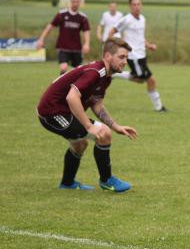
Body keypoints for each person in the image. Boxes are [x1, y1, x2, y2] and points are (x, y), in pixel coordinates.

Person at [37, 38, 137, 192]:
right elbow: (72, 97)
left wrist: (116, 126)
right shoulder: (95, 72)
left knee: (80, 144)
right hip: (52, 112)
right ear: (108, 56)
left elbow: (96, 104)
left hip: (63, 111)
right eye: (121, 57)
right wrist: (89, 126)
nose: (125, 62)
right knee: (103, 133)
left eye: (126, 58)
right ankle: (107, 180)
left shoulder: (106, 77)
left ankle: (67, 183)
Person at [109, 0, 167, 112]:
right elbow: (111, 33)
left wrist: (149, 45)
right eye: (134, 5)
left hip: (142, 54)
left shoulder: (142, 19)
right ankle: (159, 108)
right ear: (130, 6)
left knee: (144, 80)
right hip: (133, 55)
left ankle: (115, 73)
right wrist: (121, 46)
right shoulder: (126, 20)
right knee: (148, 80)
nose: (136, 7)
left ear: (141, 5)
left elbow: (140, 37)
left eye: (138, 4)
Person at [36, 0, 90, 74]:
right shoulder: (61, 14)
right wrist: (41, 39)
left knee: (78, 71)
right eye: (74, 1)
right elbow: (50, 26)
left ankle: (74, 82)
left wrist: (87, 43)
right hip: (63, 47)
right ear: (70, 2)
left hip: (76, 48)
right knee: (64, 68)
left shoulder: (83, 17)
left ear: (80, 3)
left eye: (77, 2)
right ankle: (63, 82)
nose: (75, 4)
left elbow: (86, 31)